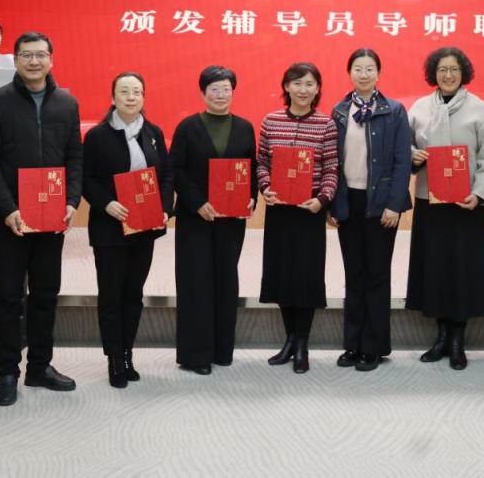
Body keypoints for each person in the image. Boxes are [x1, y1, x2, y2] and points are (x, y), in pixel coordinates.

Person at [0, 31, 82, 405]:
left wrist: (71, 200)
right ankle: (7, 372)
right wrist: (8, 209)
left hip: (52, 215)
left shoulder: (67, 103)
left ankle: (40, 366)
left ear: (51, 59)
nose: (34, 61)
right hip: (8, 217)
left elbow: (74, 157)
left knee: (45, 293)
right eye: (26, 55)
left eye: (40, 55)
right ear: (15, 60)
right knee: (7, 295)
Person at [406, 46, 484, 370]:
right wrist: (413, 155)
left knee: (462, 271)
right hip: (430, 202)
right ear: (434, 73)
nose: (448, 75)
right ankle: (441, 336)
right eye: (442, 69)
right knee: (435, 269)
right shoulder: (420, 108)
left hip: (465, 204)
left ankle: (458, 340)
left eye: (454, 70)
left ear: (464, 74)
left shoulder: (478, 109)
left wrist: (479, 193)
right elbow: (405, 145)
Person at [82, 72, 172, 387]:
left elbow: (166, 175)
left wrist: (165, 208)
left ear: (143, 97)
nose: (131, 97)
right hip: (109, 227)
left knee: (133, 293)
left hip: (144, 227)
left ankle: (127, 353)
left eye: (136, 92)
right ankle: (114, 358)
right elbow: (86, 178)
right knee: (111, 294)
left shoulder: (153, 133)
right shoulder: (98, 136)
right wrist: (106, 203)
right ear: (113, 98)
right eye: (124, 92)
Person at [169, 65, 257, 375]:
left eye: (226, 89)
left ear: (233, 92)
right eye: (214, 89)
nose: (220, 95)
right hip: (196, 218)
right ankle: (196, 355)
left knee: (225, 280)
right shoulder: (187, 127)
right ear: (203, 93)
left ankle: (222, 350)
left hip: (231, 219)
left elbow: (251, 168)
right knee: (196, 282)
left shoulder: (245, 127)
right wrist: (197, 203)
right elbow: (175, 169)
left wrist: (252, 196)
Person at [329, 48, 411, 372]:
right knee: (354, 274)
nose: (363, 74)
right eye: (358, 69)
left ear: (379, 73)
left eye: (369, 69)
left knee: (377, 274)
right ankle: (353, 344)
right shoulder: (339, 111)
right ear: (349, 73)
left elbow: (402, 161)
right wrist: (333, 203)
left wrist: (394, 204)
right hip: (349, 200)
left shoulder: (394, 111)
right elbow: (332, 162)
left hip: (381, 203)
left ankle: (373, 347)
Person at [256, 62, 339, 374]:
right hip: (279, 211)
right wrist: (265, 187)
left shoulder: (326, 124)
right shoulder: (271, 121)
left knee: (305, 277)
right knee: (281, 275)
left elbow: (331, 168)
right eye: (297, 83)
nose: (303, 90)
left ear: (317, 89)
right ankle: (289, 339)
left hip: (309, 211)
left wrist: (322, 200)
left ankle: (302, 343)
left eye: (309, 84)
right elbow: (261, 162)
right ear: (286, 86)